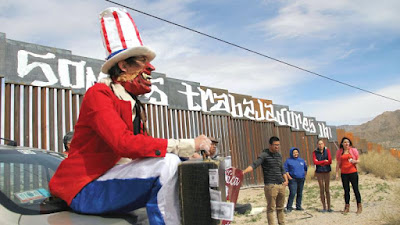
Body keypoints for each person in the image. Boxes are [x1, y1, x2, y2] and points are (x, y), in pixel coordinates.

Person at [49, 7, 211, 225]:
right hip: (85, 188)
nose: (149, 70)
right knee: (168, 163)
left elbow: (143, 150)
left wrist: (189, 155)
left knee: (179, 162)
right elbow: (124, 144)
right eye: (142, 62)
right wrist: (188, 144)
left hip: (112, 182)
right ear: (123, 65)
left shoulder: (132, 103)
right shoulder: (99, 94)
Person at [243, 136, 288, 225]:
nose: (277, 147)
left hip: (281, 185)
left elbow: (282, 169)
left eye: (278, 145)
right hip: (271, 186)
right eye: (275, 145)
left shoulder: (279, 155)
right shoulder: (264, 155)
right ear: (270, 145)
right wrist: (243, 172)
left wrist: (286, 180)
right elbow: (254, 165)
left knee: (280, 208)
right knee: (271, 209)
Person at [335, 137, 362, 214]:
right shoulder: (340, 152)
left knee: (356, 189)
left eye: (347, 142)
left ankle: (359, 206)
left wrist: (355, 161)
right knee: (346, 190)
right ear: (342, 144)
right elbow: (338, 163)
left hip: (353, 172)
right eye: (344, 142)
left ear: (349, 143)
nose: (346, 144)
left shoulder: (353, 150)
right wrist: (337, 173)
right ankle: (347, 207)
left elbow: (359, 160)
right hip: (344, 173)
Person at [284, 147, 307, 213]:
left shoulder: (301, 160)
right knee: (293, 193)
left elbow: (305, 169)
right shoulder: (288, 161)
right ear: (291, 153)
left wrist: (304, 176)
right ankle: (289, 207)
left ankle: (298, 206)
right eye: (294, 153)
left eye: (296, 152)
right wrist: (289, 177)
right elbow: (286, 170)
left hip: (301, 179)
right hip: (293, 180)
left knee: (300, 193)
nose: (295, 154)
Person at [313, 139, 332, 212]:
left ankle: (329, 207)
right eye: (319, 144)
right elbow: (315, 162)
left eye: (321, 144)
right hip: (319, 172)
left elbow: (330, 161)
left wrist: (320, 162)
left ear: (324, 144)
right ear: (317, 145)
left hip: (327, 171)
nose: (320, 145)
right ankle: (324, 206)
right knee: (321, 189)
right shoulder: (315, 152)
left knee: (327, 189)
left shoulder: (327, 151)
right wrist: (324, 161)